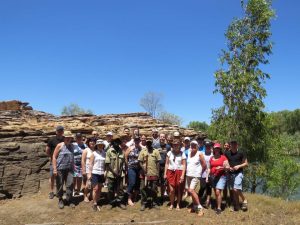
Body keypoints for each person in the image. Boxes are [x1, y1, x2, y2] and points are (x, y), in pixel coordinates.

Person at [52, 131, 75, 209]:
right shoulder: (60, 145)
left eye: (70, 138)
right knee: (60, 184)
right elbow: (54, 157)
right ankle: (60, 199)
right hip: (60, 169)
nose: (68, 139)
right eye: (67, 137)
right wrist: (55, 169)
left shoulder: (72, 146)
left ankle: (69, 199)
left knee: (70, 184)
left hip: (70, 169)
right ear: (64, 138)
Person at [225, 140, 248, 211]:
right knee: (234, 191)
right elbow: (225, 162)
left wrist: (239, 166)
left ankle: (244, 200)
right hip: (230, 174)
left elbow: (246, 164)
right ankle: (237, 206)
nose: (234, 146)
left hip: (239, 173)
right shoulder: (227, 153)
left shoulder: (241, 153)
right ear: (230, 145)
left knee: (236, 189)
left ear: (237, 145)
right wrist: (228, 167)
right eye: (232, 144)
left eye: (235, 144)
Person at [206, 143, 229, 214]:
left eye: (218, 148)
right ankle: (217, 204)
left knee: (218, 191)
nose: (217, 150)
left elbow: (228, 167)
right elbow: (209, 168)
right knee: (216, 192)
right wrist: (207, 177)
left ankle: (219, 208)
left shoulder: (223, 157)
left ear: (220, 149)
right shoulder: (211, 158)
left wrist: (221, 167)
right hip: (213, 177)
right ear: (213, 149)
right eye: (215, 148)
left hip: (221, 176)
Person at [138, 139, 161, 211]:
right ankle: (144, 203)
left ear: (152, 144)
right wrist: (143, 169)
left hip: (153, 173)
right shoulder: (143, 151)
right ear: (146, 144)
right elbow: (140, 162)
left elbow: (158, 163)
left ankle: (154, 203)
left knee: (154, 189)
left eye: (150, 143)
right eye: (147, 143)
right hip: (144, 173)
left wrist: (158, 173)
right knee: (143, 188)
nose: (149, 145)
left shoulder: (156, 151)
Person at [186, 140, 206, 216]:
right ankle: (194, 207)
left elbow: (204, 165)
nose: (193, 146)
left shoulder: (199, 154)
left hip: (195, 176)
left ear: (197, 146)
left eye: (194, 145)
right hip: (188, 175)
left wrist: (200, 172)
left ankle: (200, 208)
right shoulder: (189, 153)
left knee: (191, 190)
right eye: (192, 145)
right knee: (191, 191)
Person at [164, 139, 186, 210]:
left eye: (177, 144)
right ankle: (172, 203)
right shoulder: (169, 153)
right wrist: (165, 173)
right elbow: (167, 164)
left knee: (179, 189)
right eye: (174, 144)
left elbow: (184, 165)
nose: (175, 146)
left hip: (179, 172)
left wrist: (182, 175)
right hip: (170, 172)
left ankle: (178, 204)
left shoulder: (182, 153)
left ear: (179, 145)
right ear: (172, 145)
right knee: (172, 190)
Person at [105, 137, 127, 209]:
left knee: (120, 189)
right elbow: (107, 164)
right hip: (111, 174)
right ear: (112, 143)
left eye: (118, 142)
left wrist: (120, 171)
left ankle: (120, 202)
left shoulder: (121, 151)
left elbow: (122, 163)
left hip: (120, 174)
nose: (116, 143)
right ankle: (112, 202)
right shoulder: (109, 151)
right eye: (115, 142)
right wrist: (114, 172)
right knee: (110, 189)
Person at [45, 125, 65, 199]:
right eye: (59, 130)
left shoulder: (64, 139)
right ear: (56, 132)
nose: (60, 132)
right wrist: (51, 157)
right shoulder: (52, 139)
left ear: (63, 131)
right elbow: (47, 149)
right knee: (52, 176)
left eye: (61, 130)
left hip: (63, 161)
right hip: (54, 161)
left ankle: (59, 191)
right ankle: (51, 191)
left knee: (61, 177)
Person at [88, 139, 106, 212]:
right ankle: (94, 203)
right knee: (95, 188)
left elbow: (106, 164)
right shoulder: (94, 153)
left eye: (101, 145)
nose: (100, 146)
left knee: (100, 188)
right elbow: (91, 164)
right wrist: (89, 173)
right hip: (95, 172)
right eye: (99, 145)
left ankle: (97, 201)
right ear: (97, 146)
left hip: (102, 173)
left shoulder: (104, 153)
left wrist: (105, 171)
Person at [125, 137, 142, 206]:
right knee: (132, 182)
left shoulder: (141, 149)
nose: (137, 141)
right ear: (134, 141)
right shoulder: (130, 148)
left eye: (138, 140)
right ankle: (128, 198)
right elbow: (125, 156)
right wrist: (127, 166)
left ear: (140, 141)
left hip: (139, 168)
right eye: (136, 140)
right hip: (131, 167)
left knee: (137, 183)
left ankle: (135, 197)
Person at [157, 133, 171, 204]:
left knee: (163, 182)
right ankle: (155, 197)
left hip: (164, 166)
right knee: (156, 182)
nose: (162, 138)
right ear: (159, 138)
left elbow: (169, 157)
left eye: (163, 137)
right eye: (161, 137)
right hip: (157, 166)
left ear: (164, 138)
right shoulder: (155, 146)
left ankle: (162, 197)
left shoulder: (168, 147)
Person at [199, 139, 213, 209]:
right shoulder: (201, 153)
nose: (208, 147)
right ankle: (199, 201)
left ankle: (208, 201)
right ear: (205, 146)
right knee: (202, 187)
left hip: (211, 174)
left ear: (211, 146)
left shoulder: (213, 154)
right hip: (202, 173)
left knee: (209, 188)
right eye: (206, 146)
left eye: (209, 146)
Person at [82, 138, 96, 202]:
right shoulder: (86, 150)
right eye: (90, 141)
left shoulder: (96, 150)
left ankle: (91, 195)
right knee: (87, 184)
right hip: (88, 170)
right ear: (88, 142)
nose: (92, 142)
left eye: (93, 141)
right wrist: (83, 170)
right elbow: (83, 161)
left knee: (93, 184)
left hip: (95, 169)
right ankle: (85, 196)